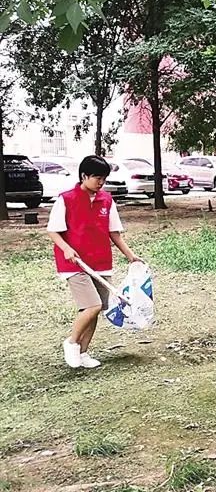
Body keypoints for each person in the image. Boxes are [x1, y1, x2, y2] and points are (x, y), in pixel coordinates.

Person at [47, 155, 142, 369]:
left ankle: (83, 353)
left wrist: (130, 255)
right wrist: (66, 248)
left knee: (96, 308)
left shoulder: (106, 200)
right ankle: (71, 343)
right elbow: (53, 231)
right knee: (92, 305)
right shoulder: (66, 199)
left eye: (104, 179)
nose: (101, 183)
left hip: (100, 262)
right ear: (84, 176)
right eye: (97, 178)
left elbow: (114, 233)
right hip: (74, 263)